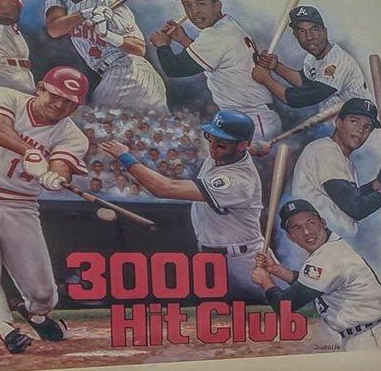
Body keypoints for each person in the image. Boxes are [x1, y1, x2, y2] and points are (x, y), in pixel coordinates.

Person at [0, 65, 93, 354]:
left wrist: (55, 176)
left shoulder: (73, 136)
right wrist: (30, 152)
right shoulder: (4, 96)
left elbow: (63, 166)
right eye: (55, 95)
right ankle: (6, 328)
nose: (60, 105)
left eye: (69, 102)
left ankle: (35, 313)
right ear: (40, 87)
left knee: (44, 294)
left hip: (20, 206)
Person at [104, 108, 270, 299]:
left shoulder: (239, 181)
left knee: (263, 313)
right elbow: (237, 146)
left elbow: (163, 188)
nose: (213, 147)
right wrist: (255, 147)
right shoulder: (226, 153)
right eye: (211, 138)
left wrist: (124, 156)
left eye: (221, 143)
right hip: (214, 257)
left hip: (244, 262)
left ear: (241, 145)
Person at [255, 199, 381, 353]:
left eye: (311, 223)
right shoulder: (332, 247)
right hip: (375, 333)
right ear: (290, 236)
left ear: (323, 222)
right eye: (297, 227)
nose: (306, 232)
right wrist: (276, 269)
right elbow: (312, 284)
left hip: (372, 338)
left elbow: (284, 305)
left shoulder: (327, 257)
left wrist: (265, 281)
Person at [39, 0, 167, 113]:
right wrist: (85, 14)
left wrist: (107, 35)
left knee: (94, 121)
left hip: (129, 71)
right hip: (110, 73)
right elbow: (54, 29)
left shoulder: (108, 2)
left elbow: (138, 48)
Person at [148, 0, 276, 137]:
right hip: (247, 116)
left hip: (252, 120)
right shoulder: (227, 24)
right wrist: (184, 40)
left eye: (201, 4)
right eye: (188, 5)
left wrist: (162, 45)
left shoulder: (216, 35)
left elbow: (175, 69)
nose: (194, 11)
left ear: (217, 6)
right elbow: (212, 58)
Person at [284, 96, 381, 246]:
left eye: (367, 127)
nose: (360, 129)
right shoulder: (326, 151)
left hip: (327, 242)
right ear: (338, 122)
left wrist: (377, 184)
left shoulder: (340, 157)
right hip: (319, 242)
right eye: (354, 121)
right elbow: (355, 207)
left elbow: (345, 200)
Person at [255, 3, 369, 113]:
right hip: (339, 124)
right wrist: (276, 66)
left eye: (314, 29)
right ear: (295, 35)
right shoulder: (312, 58)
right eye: (302, 31)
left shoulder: (339, 62)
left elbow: (300, 99)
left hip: (360, 122)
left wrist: (266, 79)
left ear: (324, 32)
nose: (309, 37)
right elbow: (305, 82)